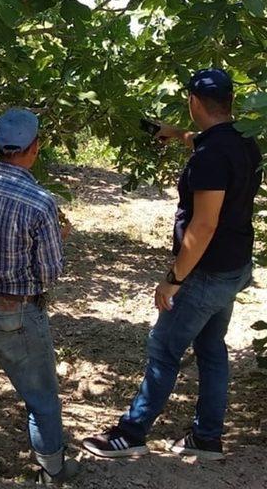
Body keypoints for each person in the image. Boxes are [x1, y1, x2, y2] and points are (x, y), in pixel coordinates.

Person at [83, 68, 261, 461]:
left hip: (204, 273)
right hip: (233, 268)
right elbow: (202, 142)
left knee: (164, 350)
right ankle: (207, 437)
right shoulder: (243, 141)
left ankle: (131, 433)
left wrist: (174, 278)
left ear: (194, 101)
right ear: (230, 101)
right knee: (212, 349)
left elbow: (204, 223)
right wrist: (174, 131)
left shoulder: (211, 157)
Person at [0, 108, 79, 485]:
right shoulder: (40, 203)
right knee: (40, 395)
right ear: (35, 148)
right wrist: (61, 238)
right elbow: (48, 274)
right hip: (14, 307)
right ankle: (52, 468)